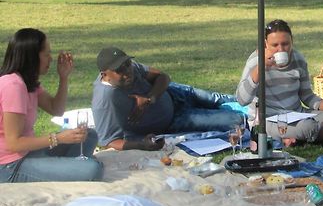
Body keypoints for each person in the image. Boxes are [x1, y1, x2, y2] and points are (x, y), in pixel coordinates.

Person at [0, 28, 103, 183]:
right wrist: (58, 138)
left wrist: (64, 77)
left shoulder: (28, 82)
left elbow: (57, 110)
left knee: (89, 135)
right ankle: (72, 168)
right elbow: (14, 144)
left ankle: (66, 168)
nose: (51, 59)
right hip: (9, 165)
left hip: (28, 152)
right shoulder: (13, 86)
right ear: (32, 56)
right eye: (47, 54)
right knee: (93, 170)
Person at [92, 47, 242, 150]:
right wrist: (141, 145)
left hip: (174, 93)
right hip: (173, 121)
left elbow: (163, 76)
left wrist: (150, 98)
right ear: (104, 74)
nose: (127, 71)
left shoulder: (132, 68)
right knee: (235, 120)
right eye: (120, 70)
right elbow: (109, 141)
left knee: (222, 98)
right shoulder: (104, 100)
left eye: (127, 64)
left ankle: (255, 102)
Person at [236, 19, 323, 145]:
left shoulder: (298, 59)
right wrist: (259, 70)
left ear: (292, 41)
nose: (281, 49)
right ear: (265, 44)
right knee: (307, 127)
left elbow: (307, 96)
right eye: (275, 45)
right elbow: (241, 100)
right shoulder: (255, 62)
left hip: (297, 113)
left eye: (285, 44)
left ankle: (298, 136)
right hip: (268, 120)